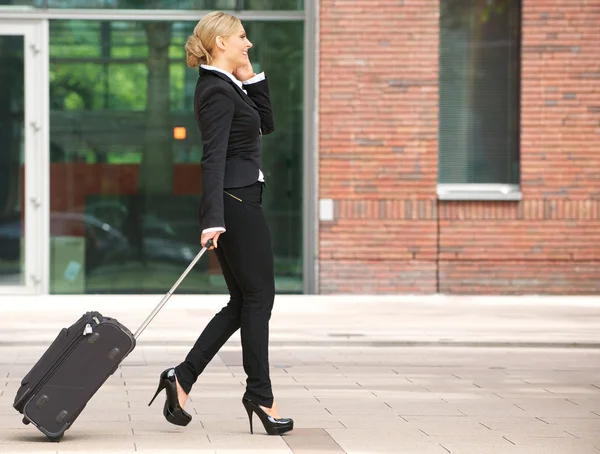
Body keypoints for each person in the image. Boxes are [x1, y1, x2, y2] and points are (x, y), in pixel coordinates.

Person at [147, 11, 293, 436]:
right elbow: (212, 157)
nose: (248, 43)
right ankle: (260, 395)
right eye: (242, 38)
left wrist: (250, 77)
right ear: (220, 42)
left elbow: (266, 124)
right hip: (235, 204)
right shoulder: (214, 91)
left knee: (243, 302)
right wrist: (212, 218)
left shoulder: (229, 86)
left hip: (241, 199)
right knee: (259, 297)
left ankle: (182, 378)